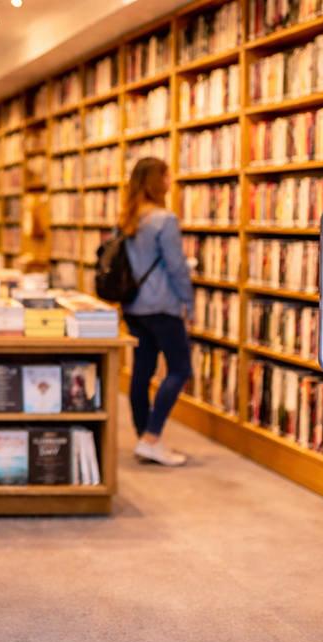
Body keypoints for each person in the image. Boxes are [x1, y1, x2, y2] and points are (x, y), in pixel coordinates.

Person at [120, 157, 194, 467]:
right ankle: (151, 438)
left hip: (134, 306)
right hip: (162, 305)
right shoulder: (164, 219)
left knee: (142, 370)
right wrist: (188, 303)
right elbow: (176, 266)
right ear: (155, 180)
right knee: (180, 369)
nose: (170, 180)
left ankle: (144, 438)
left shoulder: (127, 217)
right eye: (165, 175)